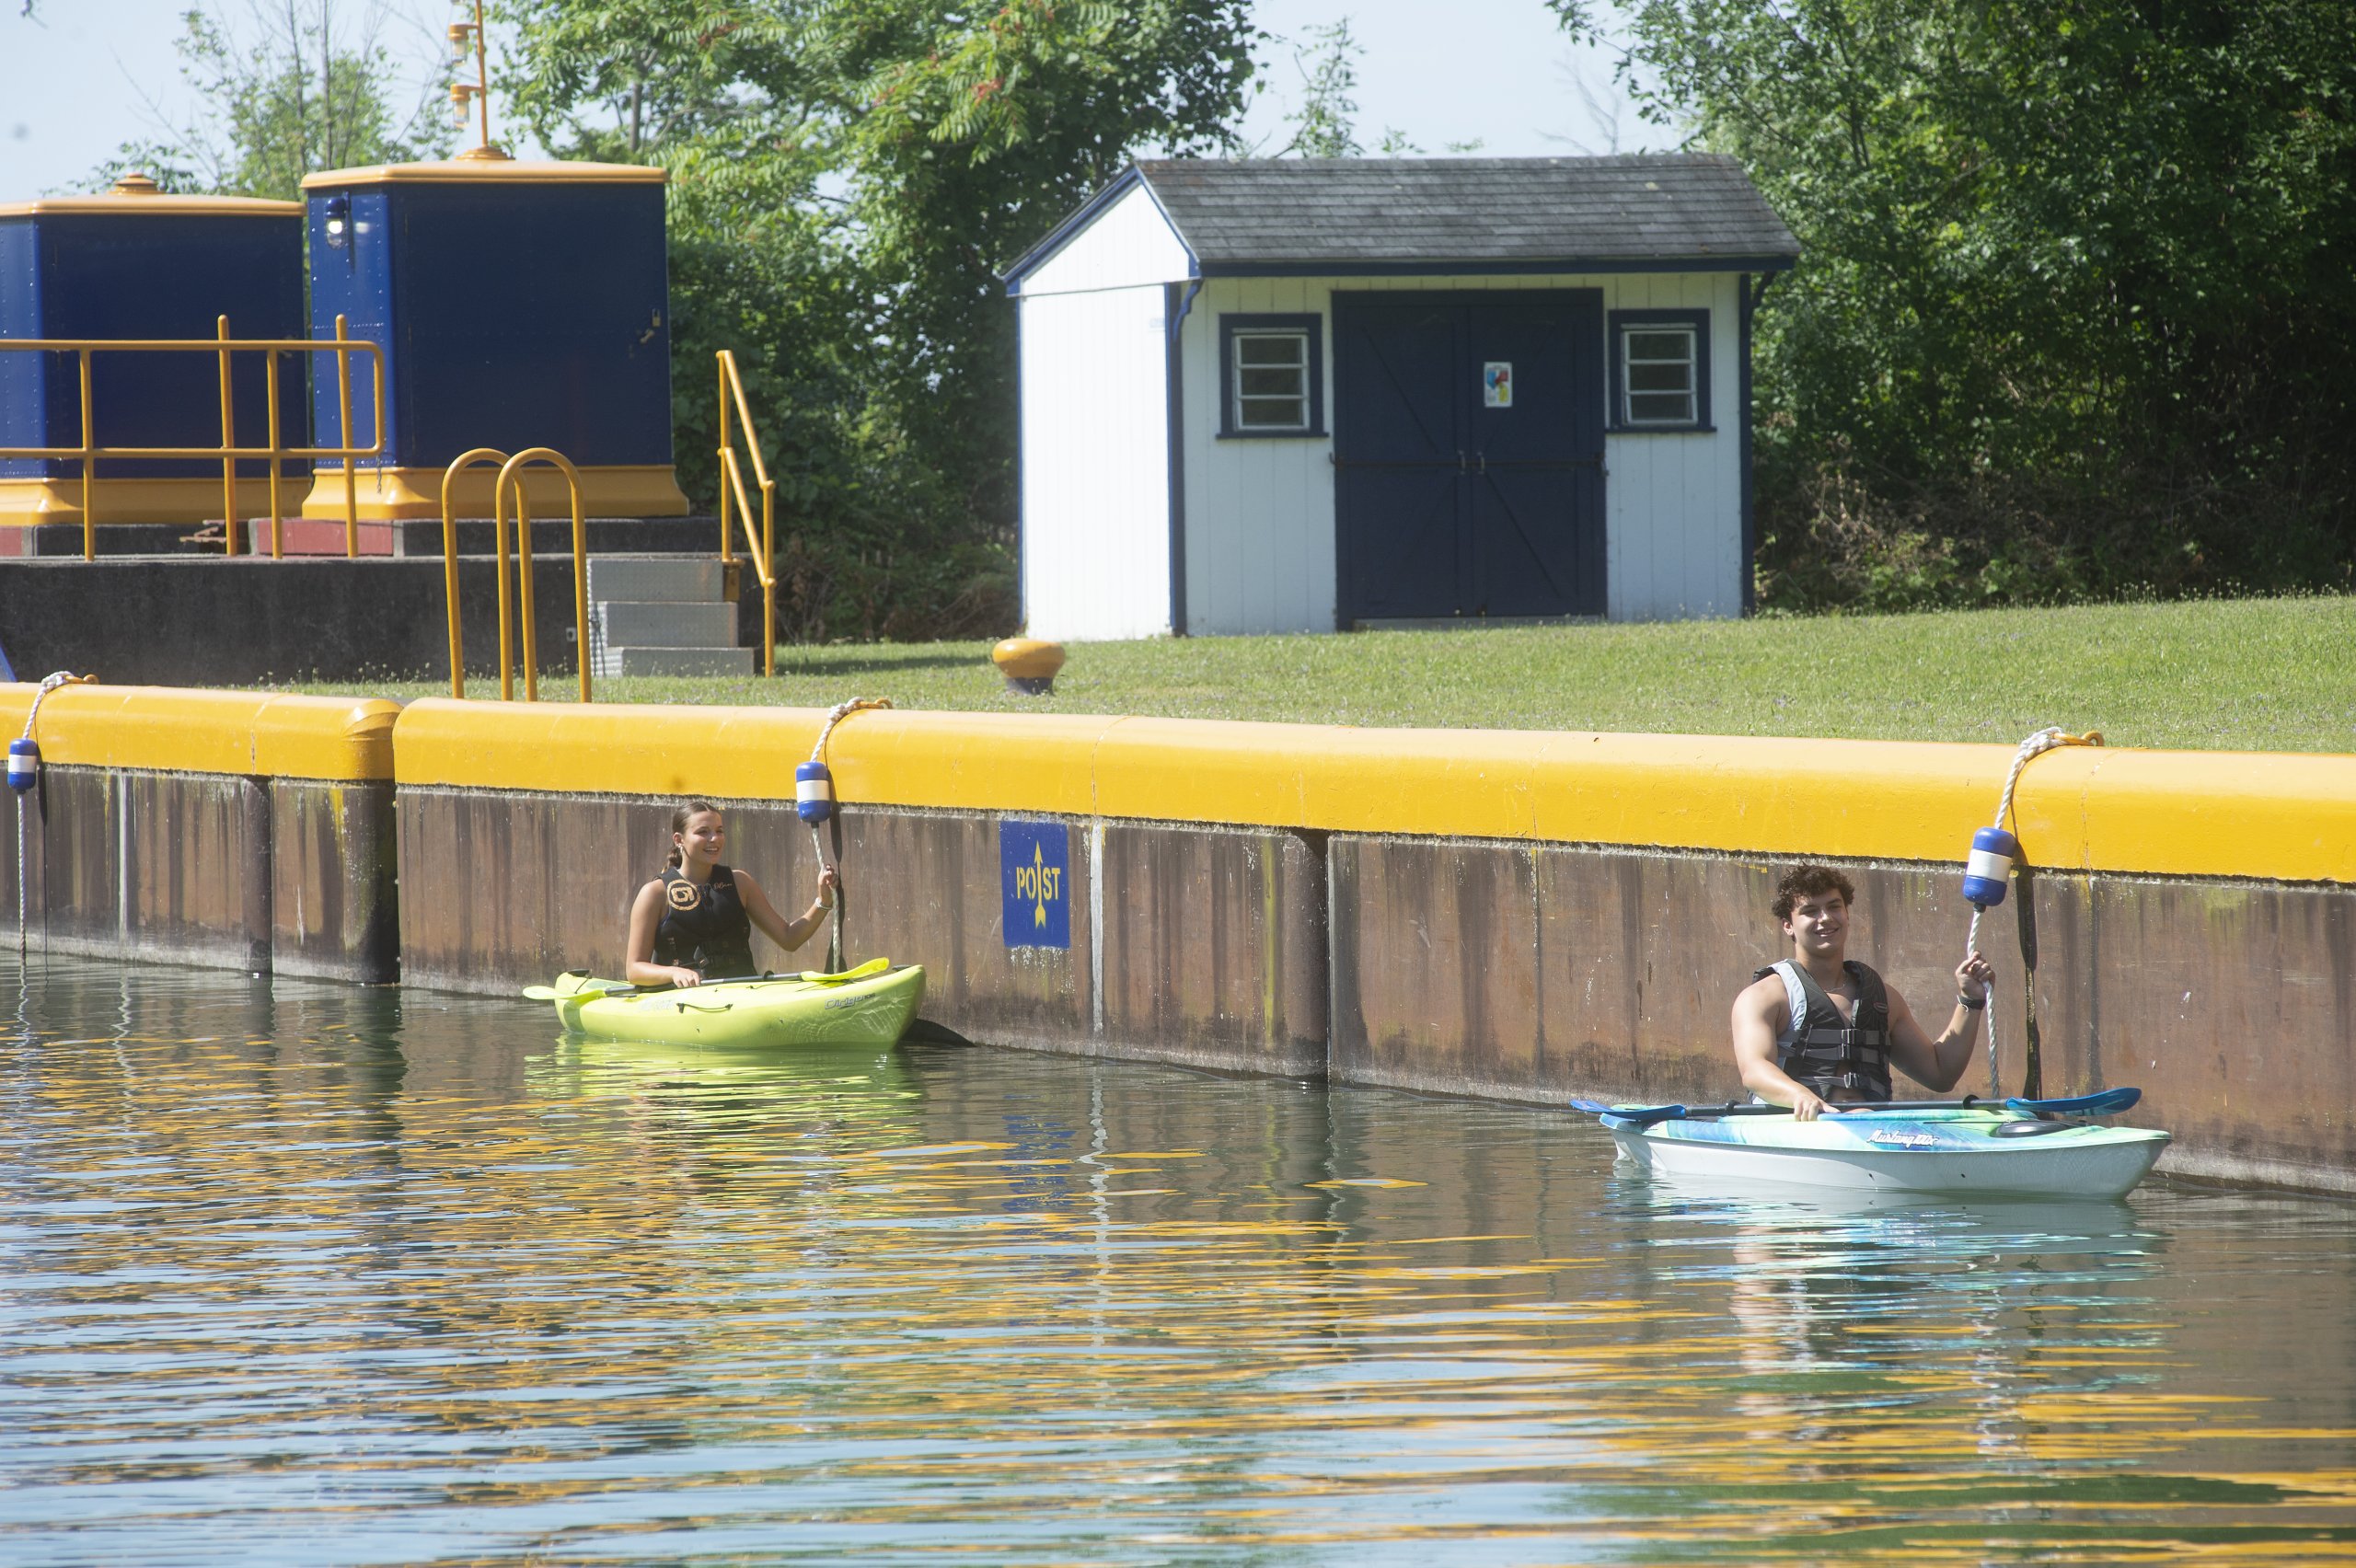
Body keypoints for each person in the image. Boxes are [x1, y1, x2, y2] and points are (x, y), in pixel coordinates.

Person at [1731, 864, 1995, 1121]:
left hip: (1872, 1130)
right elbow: (1754, 1070)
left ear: (1846, 914)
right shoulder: (1763, 997)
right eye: (1810, 911)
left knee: (1863, 1115)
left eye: (1834, 907)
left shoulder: (1884, 999)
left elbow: (1940, 1074)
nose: (1825, 918)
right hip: (1797, 1129)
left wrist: (1970, 1000)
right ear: (1788, 925)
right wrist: (1800, 1095)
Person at [625, 800, 838, 987]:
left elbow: (789, 938)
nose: (714, 839)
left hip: (742, 995)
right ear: (679, 840)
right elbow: (634, 969)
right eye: (703, 832)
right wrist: (674, 972)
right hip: (682, 1001)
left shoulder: (740, 882)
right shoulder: (654, 893)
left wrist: (823, 900)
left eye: (719, 831)